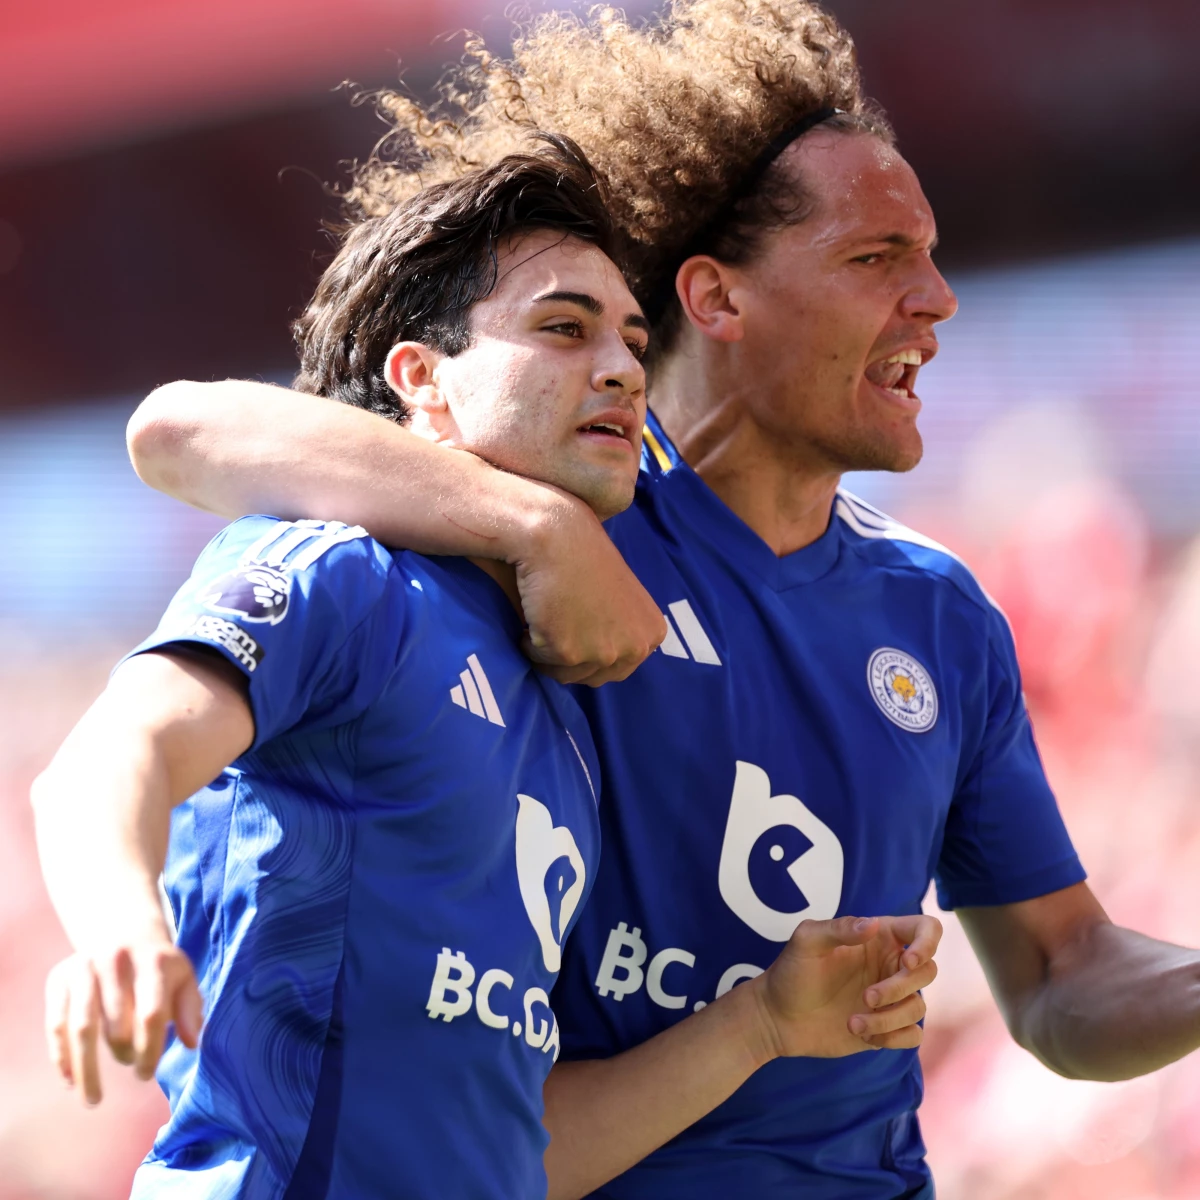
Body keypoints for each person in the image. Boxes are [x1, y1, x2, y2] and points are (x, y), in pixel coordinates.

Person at [120, 2, 1200, 1197]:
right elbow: (183, 429)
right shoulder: (557, 509)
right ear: (717, 299)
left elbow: (1061, 981)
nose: (938, 299)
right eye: (876, 257)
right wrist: (531, 526)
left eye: (932, 256)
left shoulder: (938, 616)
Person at [37, 134, 940, 1200]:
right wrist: (123, 929)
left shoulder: (560, 689)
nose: (617, 365)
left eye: (632, 340)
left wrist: (761, 1026)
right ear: (422, 380)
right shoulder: (348, 576)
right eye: (562, 328)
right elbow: (112, 752)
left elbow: (522, 1158)